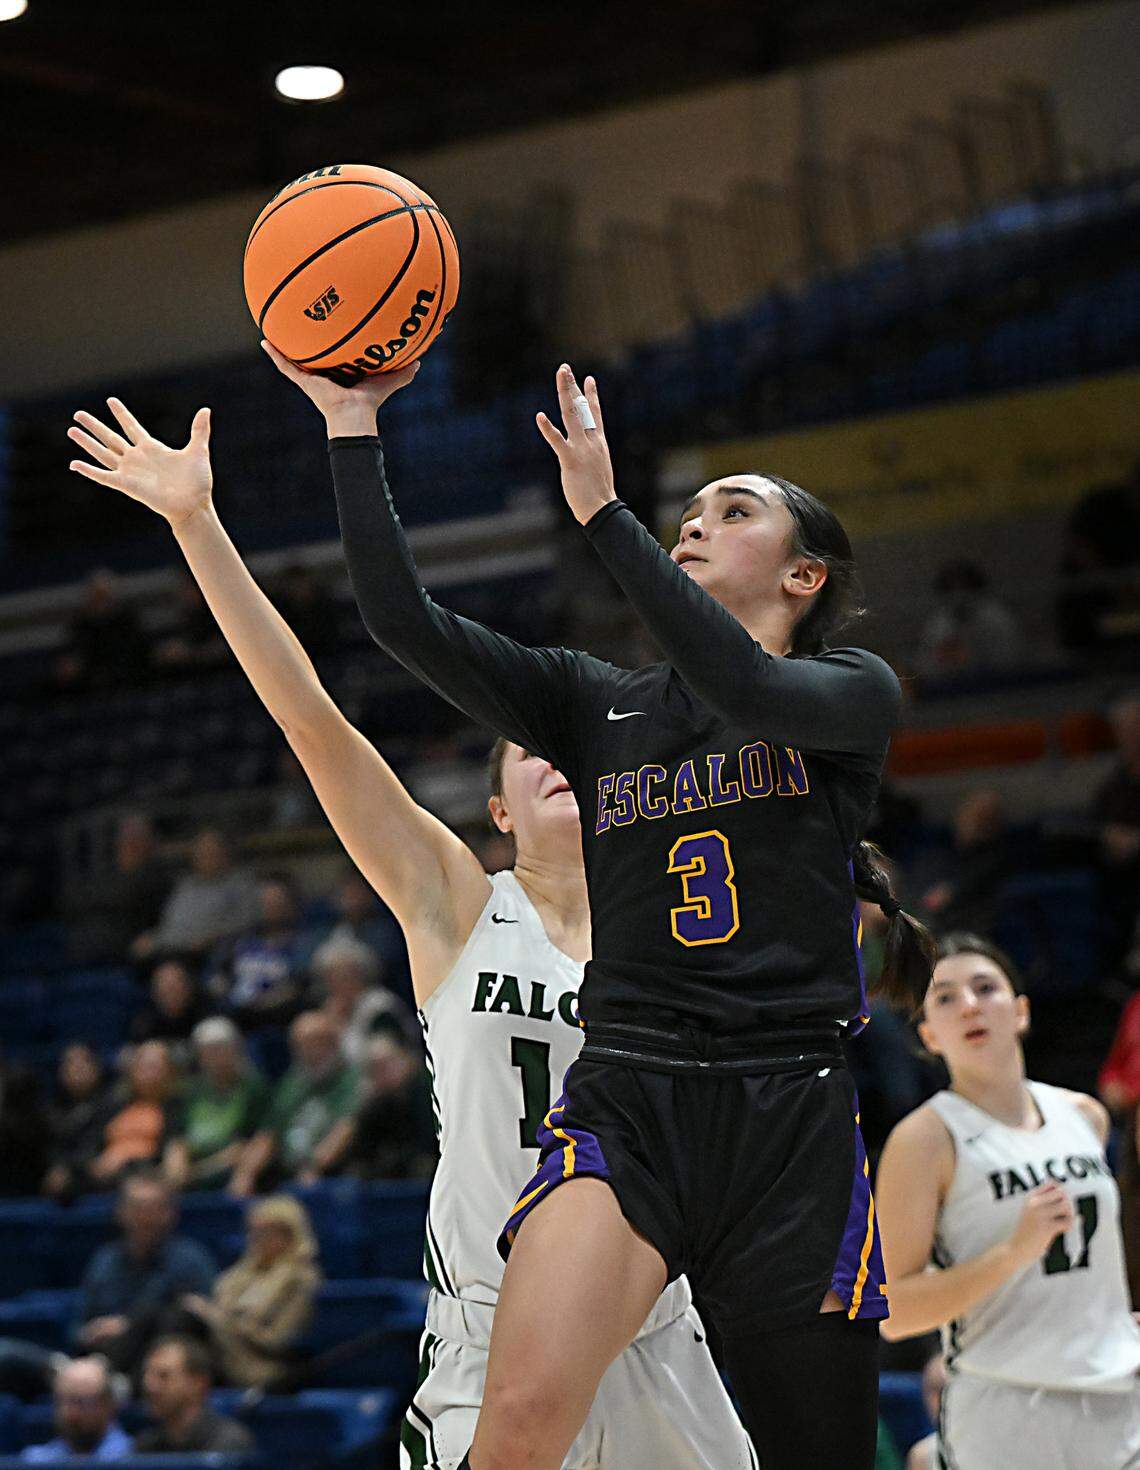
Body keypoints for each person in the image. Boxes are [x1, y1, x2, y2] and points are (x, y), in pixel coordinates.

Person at [259, 347, 934, 1470]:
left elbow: (745, 686)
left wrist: (607, 513)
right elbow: (401, 619)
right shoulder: (594, 702)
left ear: (804, 577)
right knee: (516, 1426)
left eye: (735, 510)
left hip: (786, 1110)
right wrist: (349, 424)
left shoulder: (848, 691)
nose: (697, 522)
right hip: (631, 1091)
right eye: (693, 510)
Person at [66, 389, 756, 1469]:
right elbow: (310, 720)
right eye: (527, 748)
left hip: (659, 1335)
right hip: (499, 1337)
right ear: (495, 811)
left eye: (571, 744)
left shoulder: (676, 928)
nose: (554, 756)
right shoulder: (459, 905)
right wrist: (197, 524)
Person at [876, 933, 1140, 1469]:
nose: (970, 1004)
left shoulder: (1084, 1115)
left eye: (985, 987)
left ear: (1020, 1012)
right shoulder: (925, 1139)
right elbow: (894, 1313)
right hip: (1006, 1405)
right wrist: (1012, 1254)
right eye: (946, 997)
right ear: (929, 1034)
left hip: (1117, 1396)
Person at [75, 1170, 216, 1375]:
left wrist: (128, 1327)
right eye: (138, 1208)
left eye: (154, 1208)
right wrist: (91, 1332)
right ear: (120, 1212)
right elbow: (80, 1328)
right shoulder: (104, 1261)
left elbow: (204, 1320)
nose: (145, 1217)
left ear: (170, 1213)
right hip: (104, 1364)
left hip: (168, 1370)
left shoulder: (190, 1260)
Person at [179, 1194, 320, 1389]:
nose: (255, 1238)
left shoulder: (300, 1279)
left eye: (265, 1232)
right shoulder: (238, 1276)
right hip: (219, 1352)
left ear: (289, 1235)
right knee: (171, 1317)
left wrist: (221, 1321)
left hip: (255, 1364)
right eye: (252, 1231)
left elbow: (278, 1341)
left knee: (185, 1322)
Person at [230, 1011, 360, 1193]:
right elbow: (268, 1135)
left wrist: (314, 1167)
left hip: (335, 1177)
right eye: (301, 1045)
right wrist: (245, 1174)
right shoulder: (292, 1084)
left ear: (335, 1043)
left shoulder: (351, 1080)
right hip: (290, 1174)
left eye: (317, 1043)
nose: (310, 1052)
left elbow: (346, 1129)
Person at [163, 1017, 270, 1191]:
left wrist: (242, 1173)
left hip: (230, 1167)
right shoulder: (190, 1091)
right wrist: (175, 1169)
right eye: (209, 1051)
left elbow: (257, 1137)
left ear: (236, 1050)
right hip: (189, 1171)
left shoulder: (254, 1088)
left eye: (221, 1049)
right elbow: (177, 1138)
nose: (215, 1057)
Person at [207, 872, 315, 1030]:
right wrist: (223, 993)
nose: (270, 907)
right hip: (236, 1014)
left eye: (276, 901)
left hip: (280, 1015)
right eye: (266, 901)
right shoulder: (240, 941)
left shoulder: (302, 943)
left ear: (289, 903)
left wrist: (267, 1002)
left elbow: (299, 984)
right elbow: (215, 977)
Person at [134, 827, 259, 963]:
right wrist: (153, 938)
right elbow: (169, 924)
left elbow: (245, 924)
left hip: (205, 954)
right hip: (168, 949)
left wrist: (210, 939)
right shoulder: (185, 886)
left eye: (211, 851)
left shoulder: (241, 885)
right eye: (201, 851)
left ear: (226, 853)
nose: (205, 856)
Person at [328, 1033, 436, 1182]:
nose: (383, 1073)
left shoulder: (426, 1090)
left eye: (388, 1064)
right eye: (375, 1069)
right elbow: (363, 1146)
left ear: (406, 1060)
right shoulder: (375, 1102)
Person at [134, 1335, 255, 1454]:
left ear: (198, 1383)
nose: (150, 1386)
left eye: (164, 1376)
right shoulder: (145, 1446)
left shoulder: (229, 1443)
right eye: (147, 1375)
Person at [86, 1040, 179, 1190]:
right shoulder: (113, 1104)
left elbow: (173, 1151)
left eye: (155, 1066)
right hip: (104, 1178)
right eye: (143, 1066)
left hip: (146, 1177)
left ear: (170, 1071)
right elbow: (93, 1142)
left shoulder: (174, 1107)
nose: (149, 1073)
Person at [310, 932, 414, 1063]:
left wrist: (338, 1029)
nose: (337, 984)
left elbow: (380, 1058)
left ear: (361, 974)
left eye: (345, 976)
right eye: (331, 978)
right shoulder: (331, 1008)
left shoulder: (380, 1007)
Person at [19, 1357, 132, 1463]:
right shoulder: (34, 1461)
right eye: (63, 1401)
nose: (71, 1413)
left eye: (83, 1403)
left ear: (108, 1405)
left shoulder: (134, 1456)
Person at [43, 1042, 116, 1202]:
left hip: (101, 1181)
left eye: (84, 1061)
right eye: (69, 1063)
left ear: (97, 1067)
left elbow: (100, 1145)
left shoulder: (114, 1104)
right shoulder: (51, 1110)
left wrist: (69, 1168)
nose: (77, 1068)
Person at [130, 958, 210, 1063]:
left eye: (175, 987)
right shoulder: (145, 1024)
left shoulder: (206, 1016)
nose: (171, 993)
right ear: (155, 993)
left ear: (189, 988)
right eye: (166, 988)